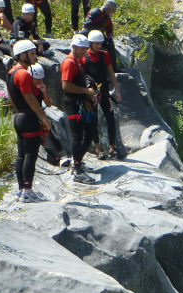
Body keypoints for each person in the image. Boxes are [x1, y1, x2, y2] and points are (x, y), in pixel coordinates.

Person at [7, 40, 52, 203]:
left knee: (21, 155)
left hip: (18, 116)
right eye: (32, 53)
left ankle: (20, 190)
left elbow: (12, 96)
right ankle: (27, 190)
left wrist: (19, 112)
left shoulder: (11, 72)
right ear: (22, 55)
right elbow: (31, 98)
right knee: (31, 155)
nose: (35, 56)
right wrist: (44, 118)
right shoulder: (24, 74)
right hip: (28, 117)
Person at [61, 34, 98, 184]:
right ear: (74, 47)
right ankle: (77, 168)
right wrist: (86, 92)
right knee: (78, 136)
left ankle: (77, 161)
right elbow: (66, 85)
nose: (84, 52)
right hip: (72, 104)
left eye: (85, 49)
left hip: (79, 103)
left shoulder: (76, 62)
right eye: (82, 49)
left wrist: (87, 97)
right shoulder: (69, 63)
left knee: (89, 133)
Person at [83, 30, 122, 160]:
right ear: (90, 43)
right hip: (91, 91)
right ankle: (97, 147)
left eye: (100, 43)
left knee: (110, 117)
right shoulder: (84, 56)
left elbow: (111, 72)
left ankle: (112, 147)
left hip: (103, 89)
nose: (99, 46)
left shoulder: (104, 55)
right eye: (96, 43)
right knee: (93, 119)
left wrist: (116, 90)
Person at [81, 0, 120, 73]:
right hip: (89, 35)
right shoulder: (95, 13)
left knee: (110, 44)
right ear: (108, 9)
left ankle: (114, 67)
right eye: (112, 11)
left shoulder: (106, 16)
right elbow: (86, 27)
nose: (112, 13)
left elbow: (109, 28)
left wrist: (109, 36)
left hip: (98, 36)